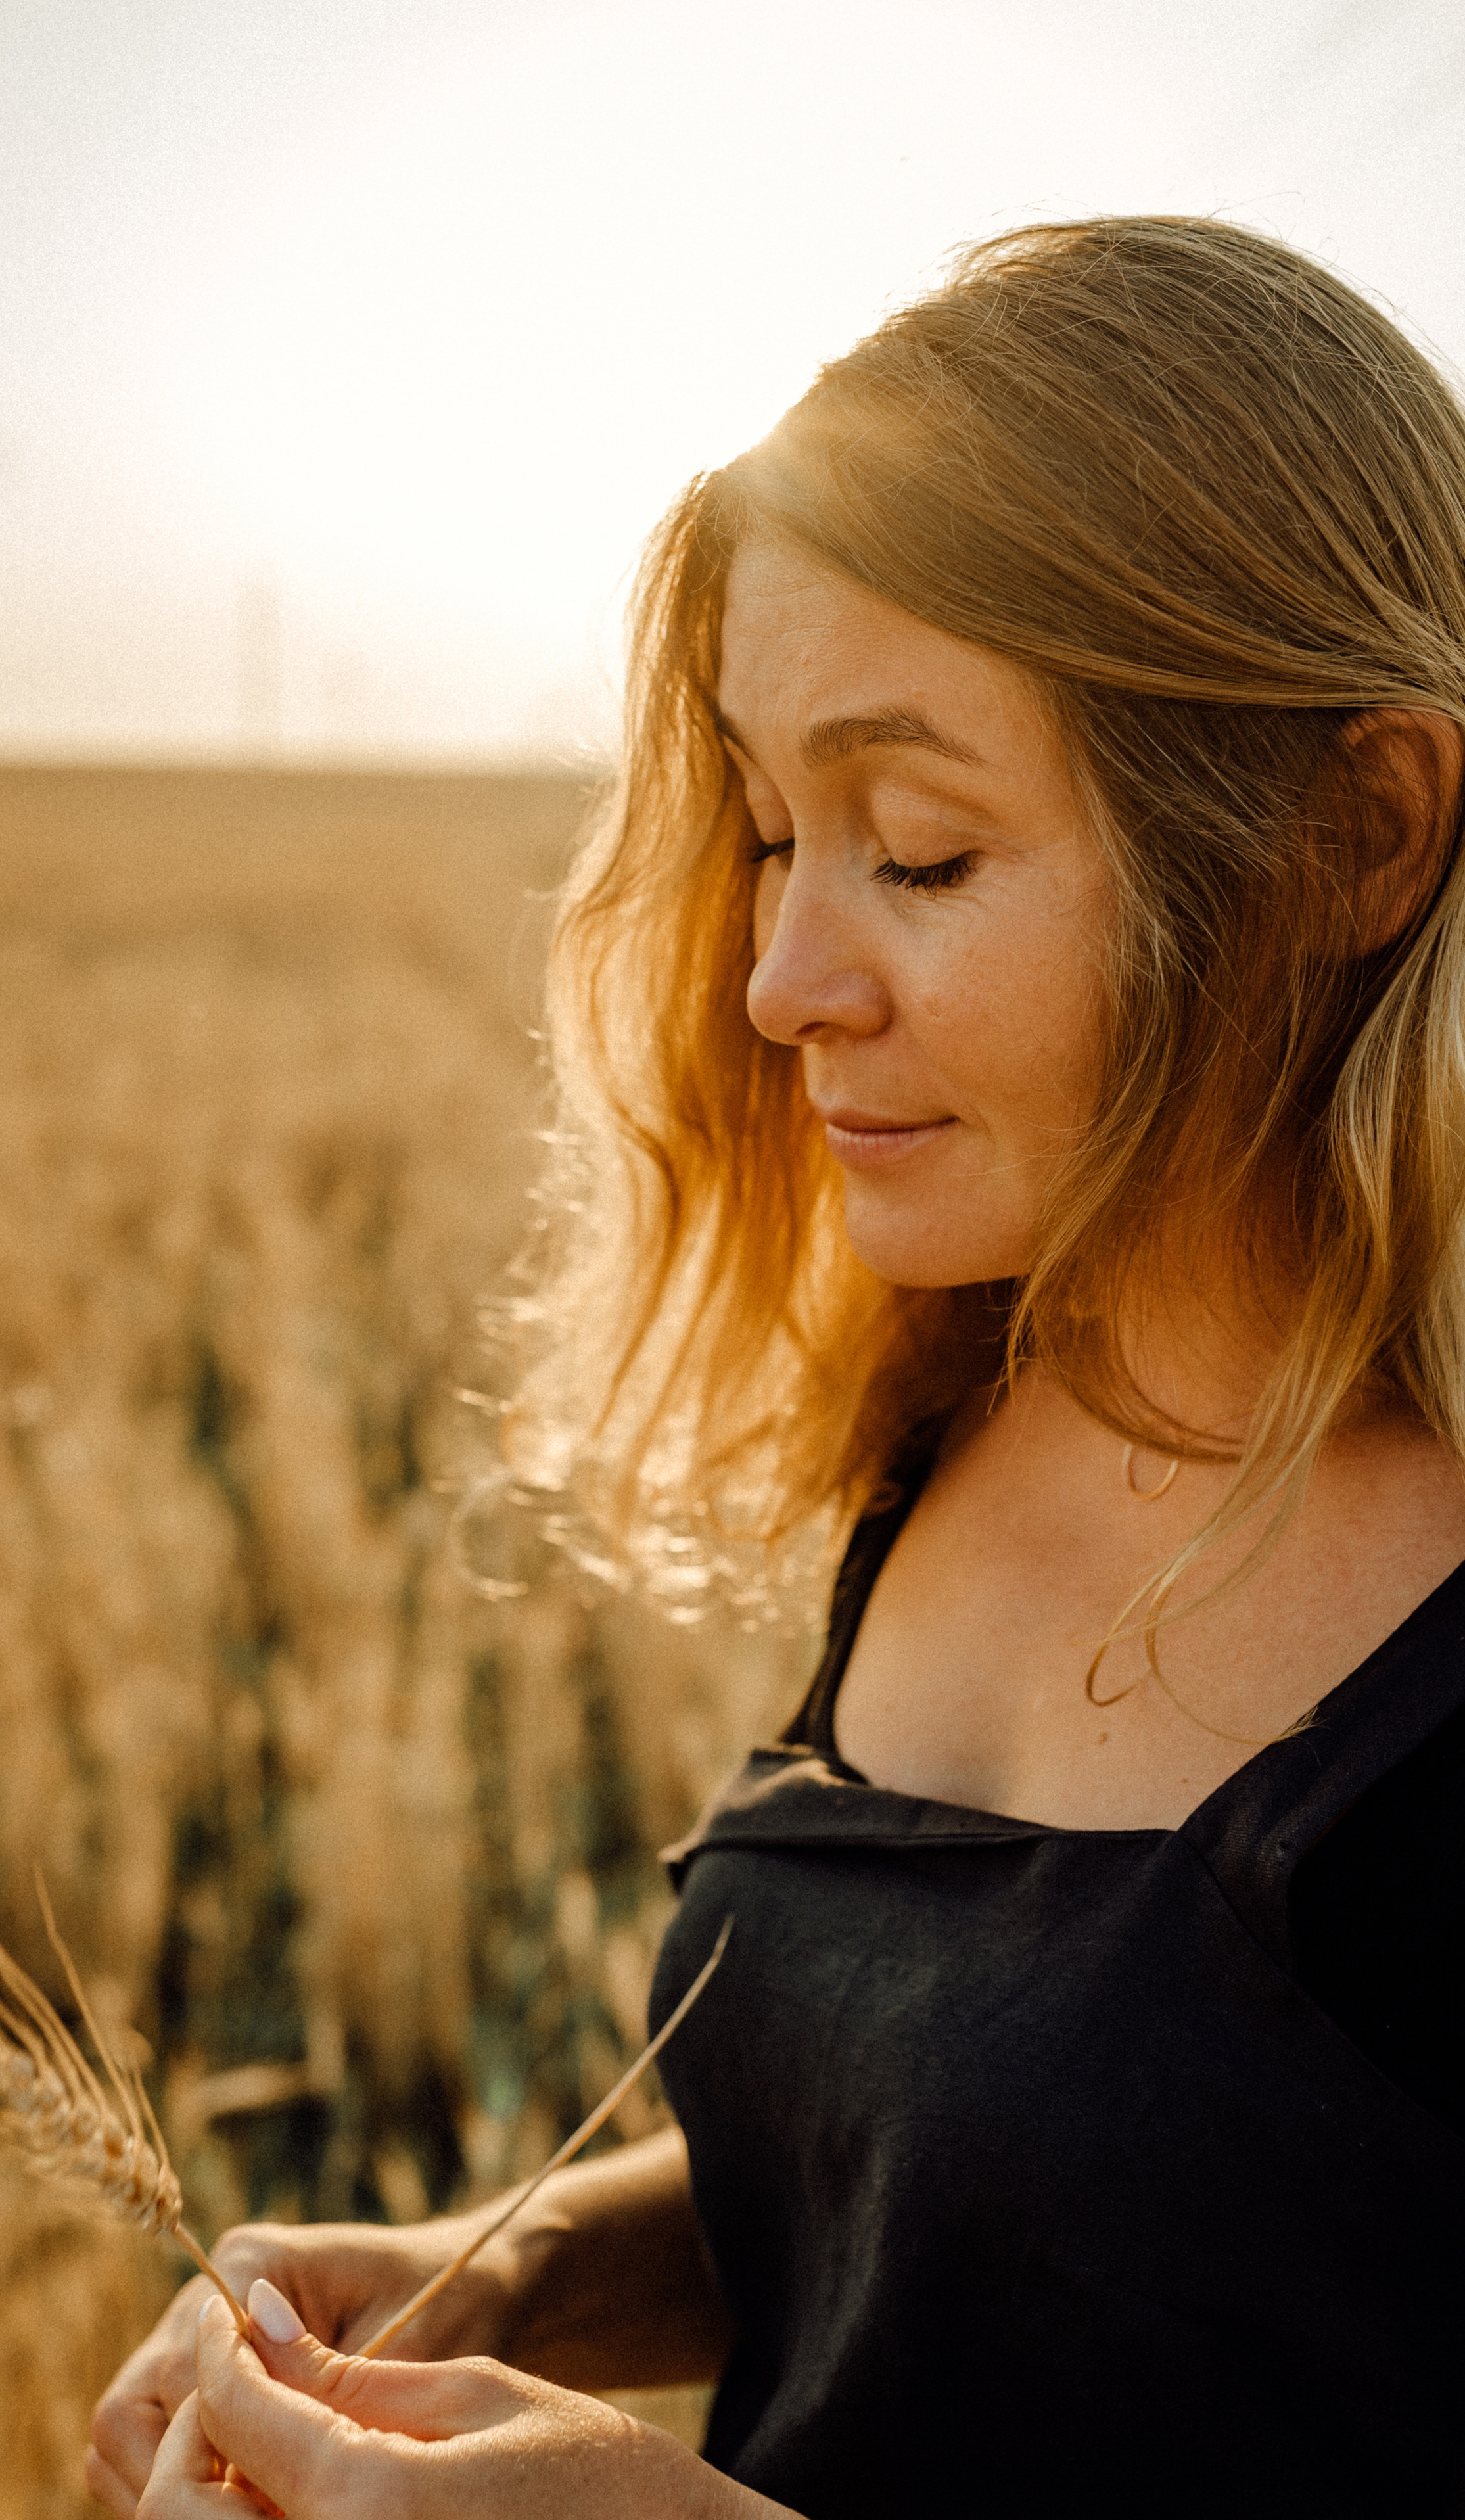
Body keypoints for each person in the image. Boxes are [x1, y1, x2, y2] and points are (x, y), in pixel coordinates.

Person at [91, 217, 1465, 2518]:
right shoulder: (963, 1417)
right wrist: (503, 2273)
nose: (778, 974)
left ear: (1354, 835)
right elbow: (1007, 2213)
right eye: (763, 828)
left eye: (919, 846)